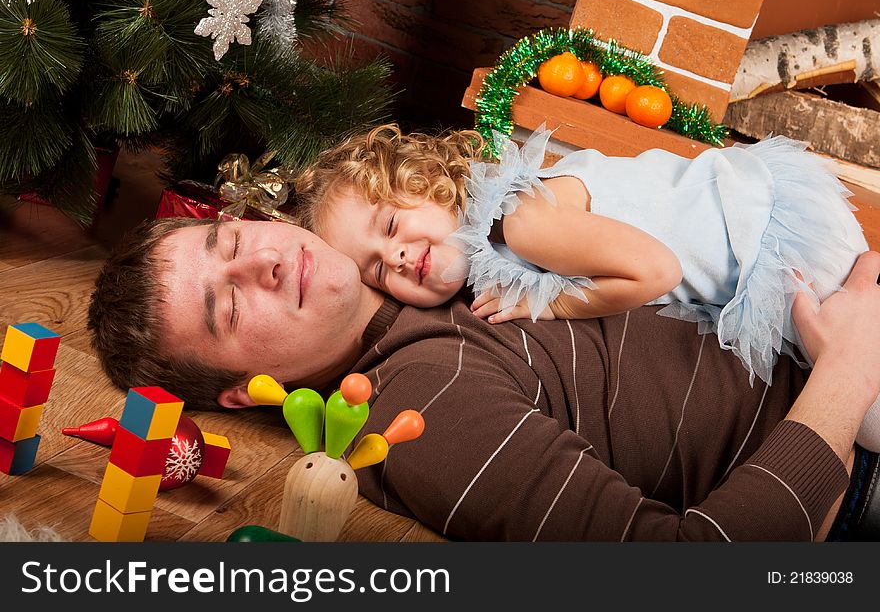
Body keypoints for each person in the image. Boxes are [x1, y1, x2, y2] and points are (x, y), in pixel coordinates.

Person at [87, 217, 880, 540]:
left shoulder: (422, 259)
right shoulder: (419, 409)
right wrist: (849, 367)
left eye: (231, 238)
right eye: (227, 305)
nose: (262, 259)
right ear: (236, 388)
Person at [292, 124, 880, 450]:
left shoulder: (521, 221)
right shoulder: (497, 239)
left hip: (768, 246)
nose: (394, 256)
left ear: (431, 185)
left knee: (870, 418)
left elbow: (656, 272)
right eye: (375, 269)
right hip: (755, 247)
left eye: (392, 225)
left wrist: (549, 304)